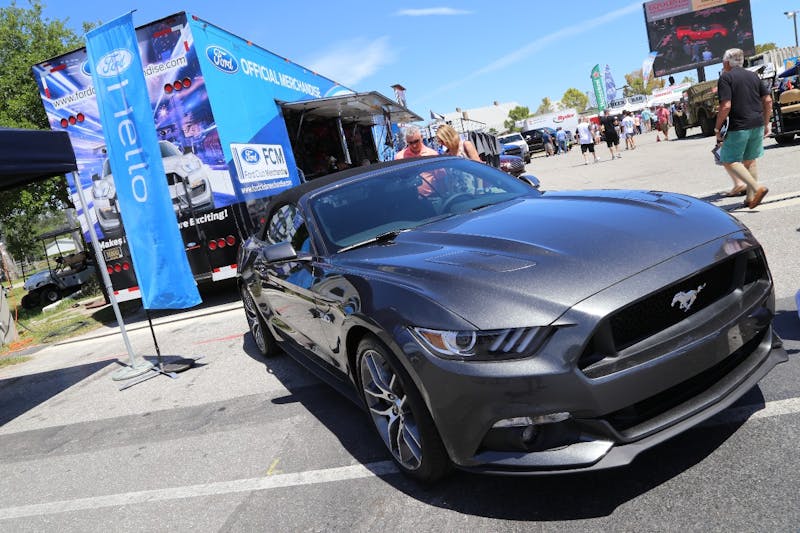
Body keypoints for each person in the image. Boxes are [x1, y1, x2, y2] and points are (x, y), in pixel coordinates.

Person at [714, 47, 772, 209]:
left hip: (739, 125)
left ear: (726, 63)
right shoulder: (754, 76)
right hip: (758, 123)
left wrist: (718, 129)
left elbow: (725, 106)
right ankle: (750, 199)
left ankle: (757, 187)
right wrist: (766, 123)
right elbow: (767, 100)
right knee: (750, 160)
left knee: (729, 159)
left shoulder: (725, 78)